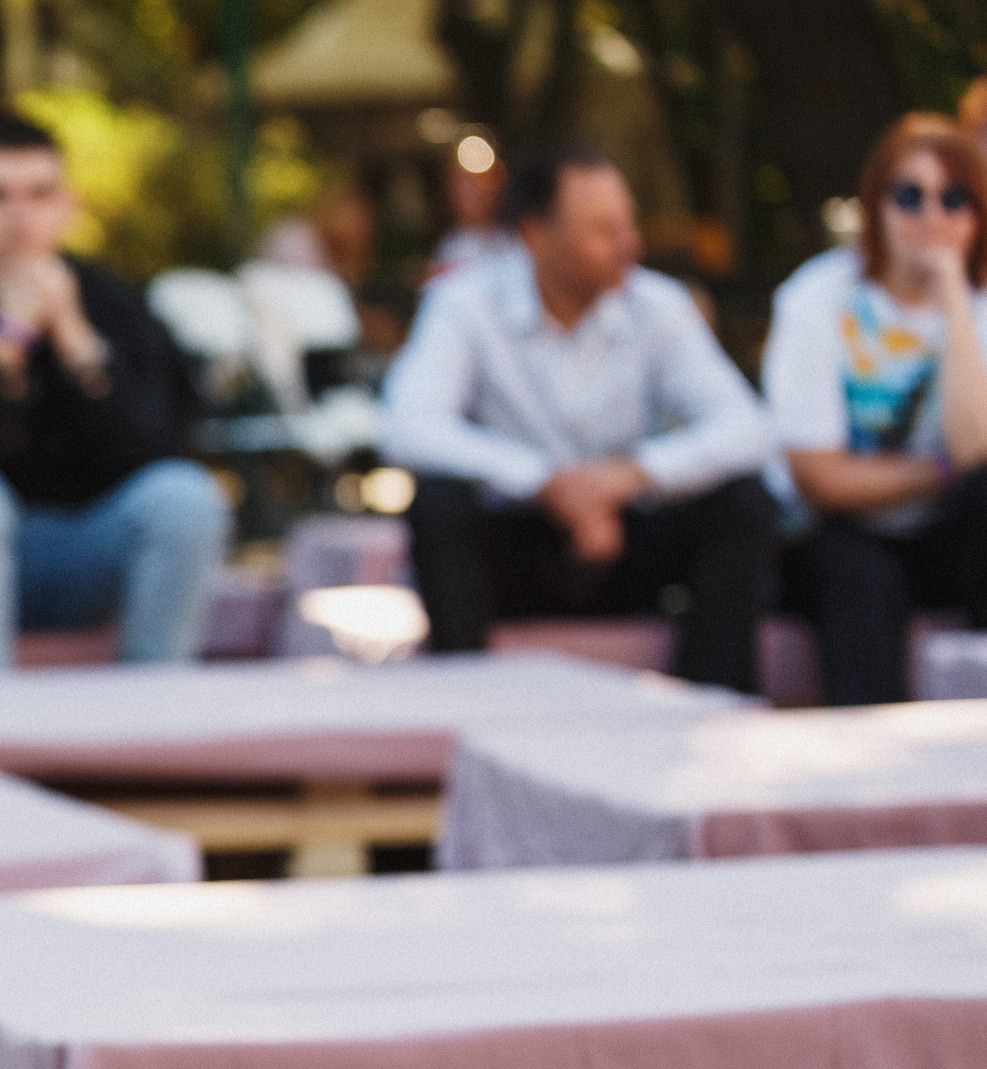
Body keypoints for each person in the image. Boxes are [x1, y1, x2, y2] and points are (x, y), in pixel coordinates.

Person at [381, 142, 777, 692]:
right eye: (603, 230)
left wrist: (627, 477)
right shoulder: (464, 303)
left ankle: (710, 704)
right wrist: (543, 482)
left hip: (627, 541)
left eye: (627, 226)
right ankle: (462, 706)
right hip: (517, 547)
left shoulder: (657, 305)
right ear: (536, 235)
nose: (629, 245)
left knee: (744, 502)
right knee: (438, 503)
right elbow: (408, 427)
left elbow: (748, 428)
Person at [0, 110, 229, 669]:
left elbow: (159, 449)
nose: (19, 216)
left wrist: (76, 341)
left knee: (186, 498)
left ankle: (157, 706)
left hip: (93, 552)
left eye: (39, 194)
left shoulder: (120, 306)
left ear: (69, 205)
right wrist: (5, 341)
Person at [762, 114, 987, 705]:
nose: (932, 217)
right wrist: (940, 475)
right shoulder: (816, 298)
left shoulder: (978, 307)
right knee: (856, 571)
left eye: (954, 198)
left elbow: (975, 451)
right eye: (910, 196)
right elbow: (821, 478)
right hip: (835, 539)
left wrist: (953, 297)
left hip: (950, 536)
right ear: (875, 205)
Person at [429, 138, 517, 280]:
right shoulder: (448, 252)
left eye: (482, 178)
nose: (474, 190)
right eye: (464, 181)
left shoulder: (521, 243)